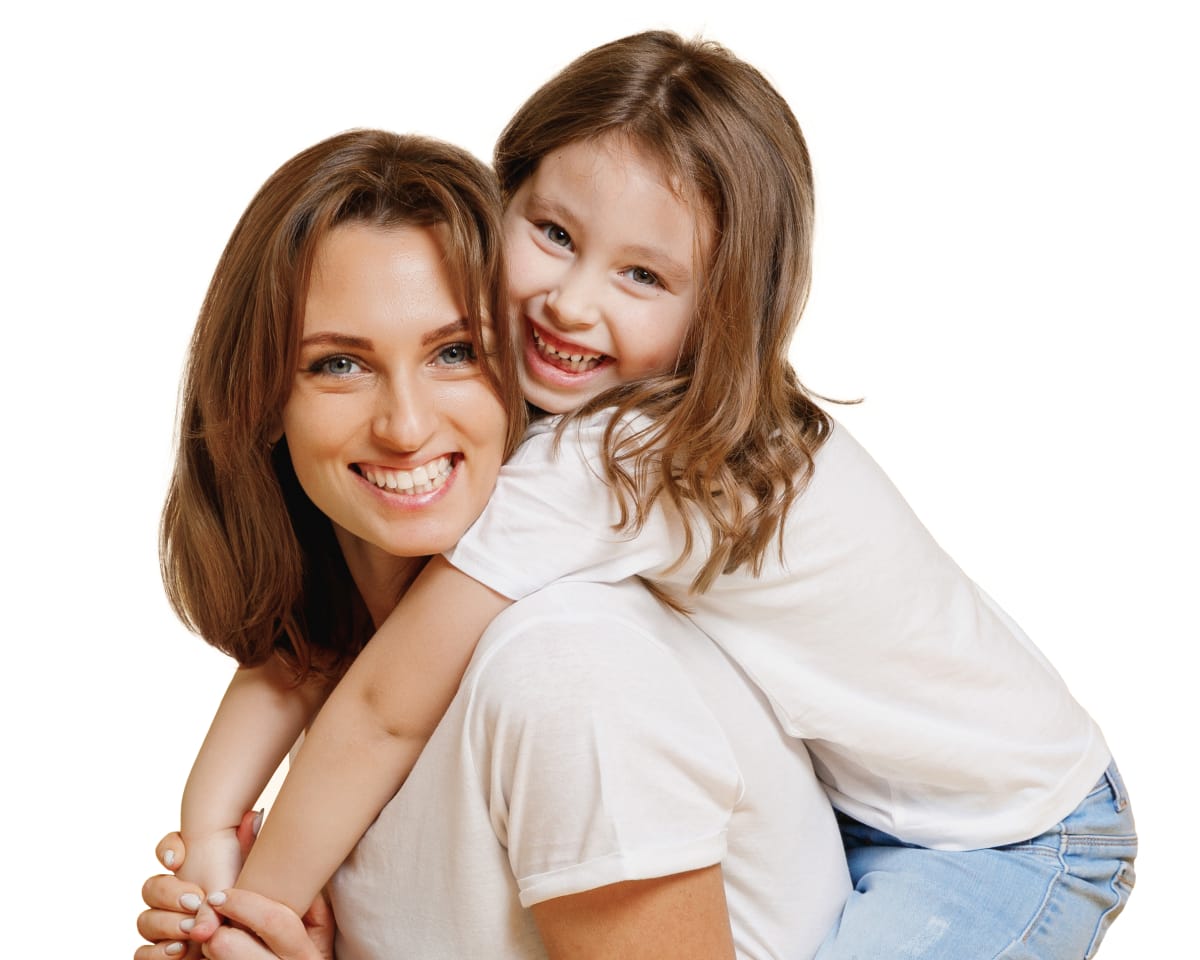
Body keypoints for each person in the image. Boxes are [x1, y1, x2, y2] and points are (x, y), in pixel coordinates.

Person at [179, 30, 1135, 959]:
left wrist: (249, 911)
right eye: (555, 234)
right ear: (499, 198)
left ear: (717, 313)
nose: (572, 303)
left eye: (642, 274)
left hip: (1011, 837)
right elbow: (318, 646)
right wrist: (210, 830)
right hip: (873, 796)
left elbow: (385, 701)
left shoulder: (618, 459)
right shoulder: (564, 409)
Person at [141, 126, 851, 959]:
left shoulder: (561, 670)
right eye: (338, 364)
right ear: (261, 401)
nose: (404, 425)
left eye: (455, 352)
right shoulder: (352, 669)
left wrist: (235, 924)